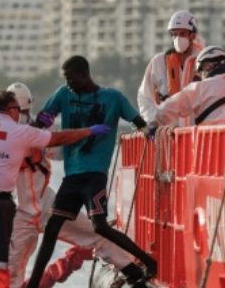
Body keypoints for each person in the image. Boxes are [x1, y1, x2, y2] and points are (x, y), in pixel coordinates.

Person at [0, 91, 110, 288]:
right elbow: (58, 138)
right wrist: (89, 131)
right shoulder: (18, 131)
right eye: (18, 110)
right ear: (11, 110)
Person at [26, 56, 155, 288]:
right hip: (72, 175)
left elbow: (137, 120)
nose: (68, 84)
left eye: (71, 78)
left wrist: (147, 131)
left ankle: (148, 261)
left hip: (95, 174)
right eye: (65, 79)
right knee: (52, 227)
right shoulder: (64, 94)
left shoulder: (112, 97)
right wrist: (42, 120)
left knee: (100, 226)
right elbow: (43, 119)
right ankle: (34, 284)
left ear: (84, 75)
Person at [5, 83, 143, 288]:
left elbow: (60, 154)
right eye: (19, 111)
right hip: (21, 213)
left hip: (47, 204)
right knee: (10, 267)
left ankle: (132, 272)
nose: (23, 115)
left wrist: (49, 130)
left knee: (96, 233)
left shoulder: (40, 132)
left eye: (26, 111)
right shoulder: (5, 137)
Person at [150, 46, 225, 128]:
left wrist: (153, 124)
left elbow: (168, 109)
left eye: (199, 72)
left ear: (206, 67)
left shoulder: (200, 88)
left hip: (210, 156)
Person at [137, 10, 206, 127]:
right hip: (168, 136)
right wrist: (152, 121)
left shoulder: (204, 61)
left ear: (192, 35)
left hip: (196, 135)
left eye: (182, 34)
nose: (178, 38)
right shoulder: (159, 62)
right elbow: (145, 96)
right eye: (174, 34)